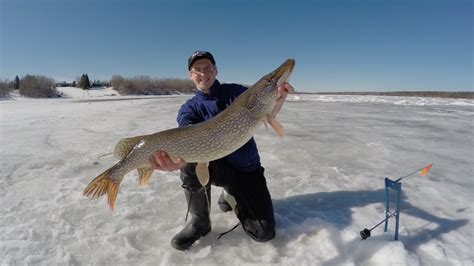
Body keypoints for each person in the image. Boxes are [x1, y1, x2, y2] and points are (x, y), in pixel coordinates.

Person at [148, 51, 294, 250]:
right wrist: (176, 159)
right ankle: (200, 222)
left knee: (263, 232)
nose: (203, 73)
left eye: (207, 68)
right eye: (197, 70)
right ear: (191, 75)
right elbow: (186, 134)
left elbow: (267, 112)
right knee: (190, 159)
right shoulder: (189, 108)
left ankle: (230, 196)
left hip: (245, 169)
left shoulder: (237, 93)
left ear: (215, 70)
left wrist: (278, 99)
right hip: (214, 167)